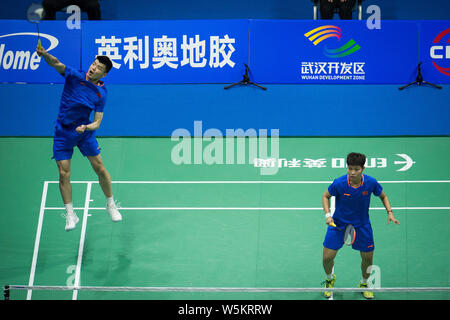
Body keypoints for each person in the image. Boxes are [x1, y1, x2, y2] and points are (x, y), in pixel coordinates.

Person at [36, 45, 122, 231]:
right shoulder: (75, 76)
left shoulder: (101, 93)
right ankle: (70, 214)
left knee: (99, 167)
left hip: (84, 132)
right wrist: (44, 55)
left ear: (104, 74)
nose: (94, 68)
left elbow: (97, 122)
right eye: (94, 64)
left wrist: (86, 127)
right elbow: (57, 64)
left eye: (99, 68)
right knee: (63, 172)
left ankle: (110, 204)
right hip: (63, 131)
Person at [321, 152, 399, 299]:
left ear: (363, 168)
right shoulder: (339, 183)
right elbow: (325, 196)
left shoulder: (371, 183)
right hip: (338, 224)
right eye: (350, 168)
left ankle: (364, 283)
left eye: (356, 169)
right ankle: (330, 279)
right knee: (327, 258)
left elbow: (383, 196)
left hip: (362, 225)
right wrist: (327, 214)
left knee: (368, 258)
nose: (352, 172)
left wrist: (390, 212)